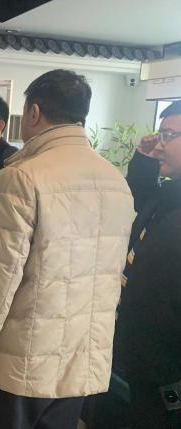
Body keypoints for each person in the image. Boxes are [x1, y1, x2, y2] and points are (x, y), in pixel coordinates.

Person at [0, 69, 136, 429]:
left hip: (19, 366)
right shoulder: (116, 180)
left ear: (34, 112)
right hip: (78, 365)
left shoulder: (20, 177)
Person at [112, 100, 181, 428]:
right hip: (141, 356)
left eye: (170, 135)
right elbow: (141, 196)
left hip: (168, 370)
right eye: (160, 133)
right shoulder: (169, 195)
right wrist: (143, 157)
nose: (161, 143)